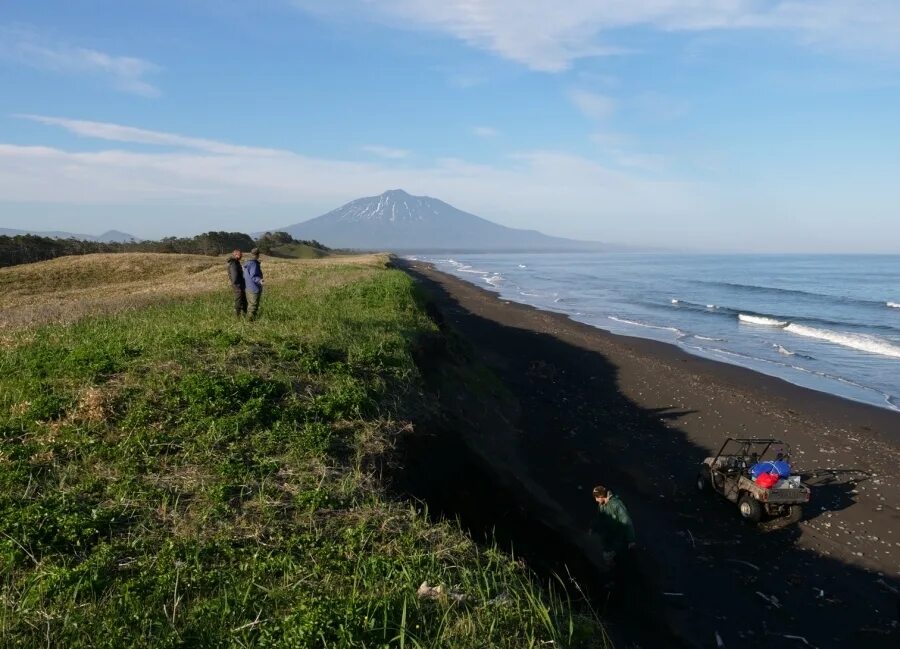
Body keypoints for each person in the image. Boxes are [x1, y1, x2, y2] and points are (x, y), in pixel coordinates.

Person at [243, 247, 264, 321]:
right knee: (253, 306)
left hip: (248, 287)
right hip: (254, 288)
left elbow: (245, 275)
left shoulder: (247, 263)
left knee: (250, 305)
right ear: (258, 255)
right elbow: (254, 276)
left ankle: (251, 320)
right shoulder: (254, 264)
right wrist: (260, 280)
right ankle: (250, 322)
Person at [227, 249, 247, 318]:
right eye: (240, 254)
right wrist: (239, 284)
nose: (242, 256)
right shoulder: (233, 263)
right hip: (238, 286)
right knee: (238, 300)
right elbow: (234, 277)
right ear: (236, 255)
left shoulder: (236, 262)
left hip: (239, 285)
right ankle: (237, 316)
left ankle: (244, 314)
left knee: (242, 299)